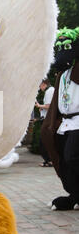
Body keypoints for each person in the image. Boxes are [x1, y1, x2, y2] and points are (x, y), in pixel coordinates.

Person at [42, 27, 79, 210]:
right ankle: (74, 193)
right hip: (64, 123)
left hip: (78, 123)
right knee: (63, 160)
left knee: (72, 156)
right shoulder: (62, 76)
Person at [35, 78, 54, 166]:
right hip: (47, 119)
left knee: (44, 141)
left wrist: (39, 105)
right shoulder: (50, 90)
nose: (39, 87)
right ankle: (48, 161)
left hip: (48, 120)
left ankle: (49, 160)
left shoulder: (49, 91)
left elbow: (49, 106)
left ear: (43, 83)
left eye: (40, 85)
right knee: (44, 141)